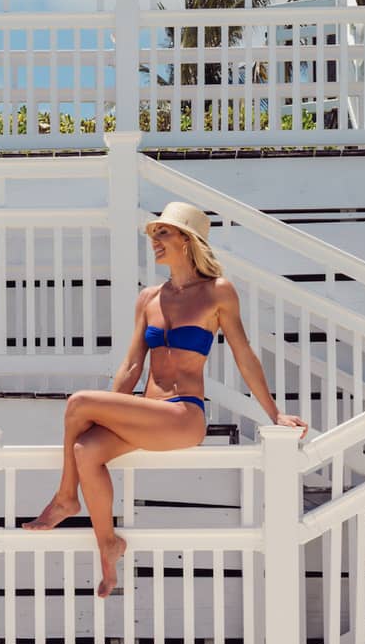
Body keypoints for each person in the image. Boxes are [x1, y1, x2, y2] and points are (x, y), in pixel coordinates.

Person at [25, 200, 308, 596]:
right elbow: (130, 367)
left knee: (78, 403)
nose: (155, 240)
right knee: (85, 450)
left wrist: (274, 413)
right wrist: (112, 414)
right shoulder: (149, 298)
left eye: (163, 232)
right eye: (153, 234)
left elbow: (244, 354)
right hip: (148, 412)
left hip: (183, 415)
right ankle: (108, 543)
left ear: (187, 240)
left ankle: (65, 498)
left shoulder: (218, 292)